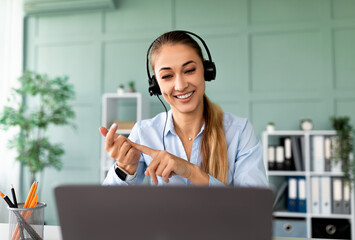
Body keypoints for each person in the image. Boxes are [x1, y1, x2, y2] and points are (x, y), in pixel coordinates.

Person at [100, 30, 268, 187]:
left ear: (207, 70)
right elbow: (106, 208)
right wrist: (124, 168)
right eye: (167, 76)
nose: (180, 86)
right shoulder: (144, 132)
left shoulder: (239, 132)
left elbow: (254, 210)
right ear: (155, 85)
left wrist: (190, 171)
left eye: (189, 70)